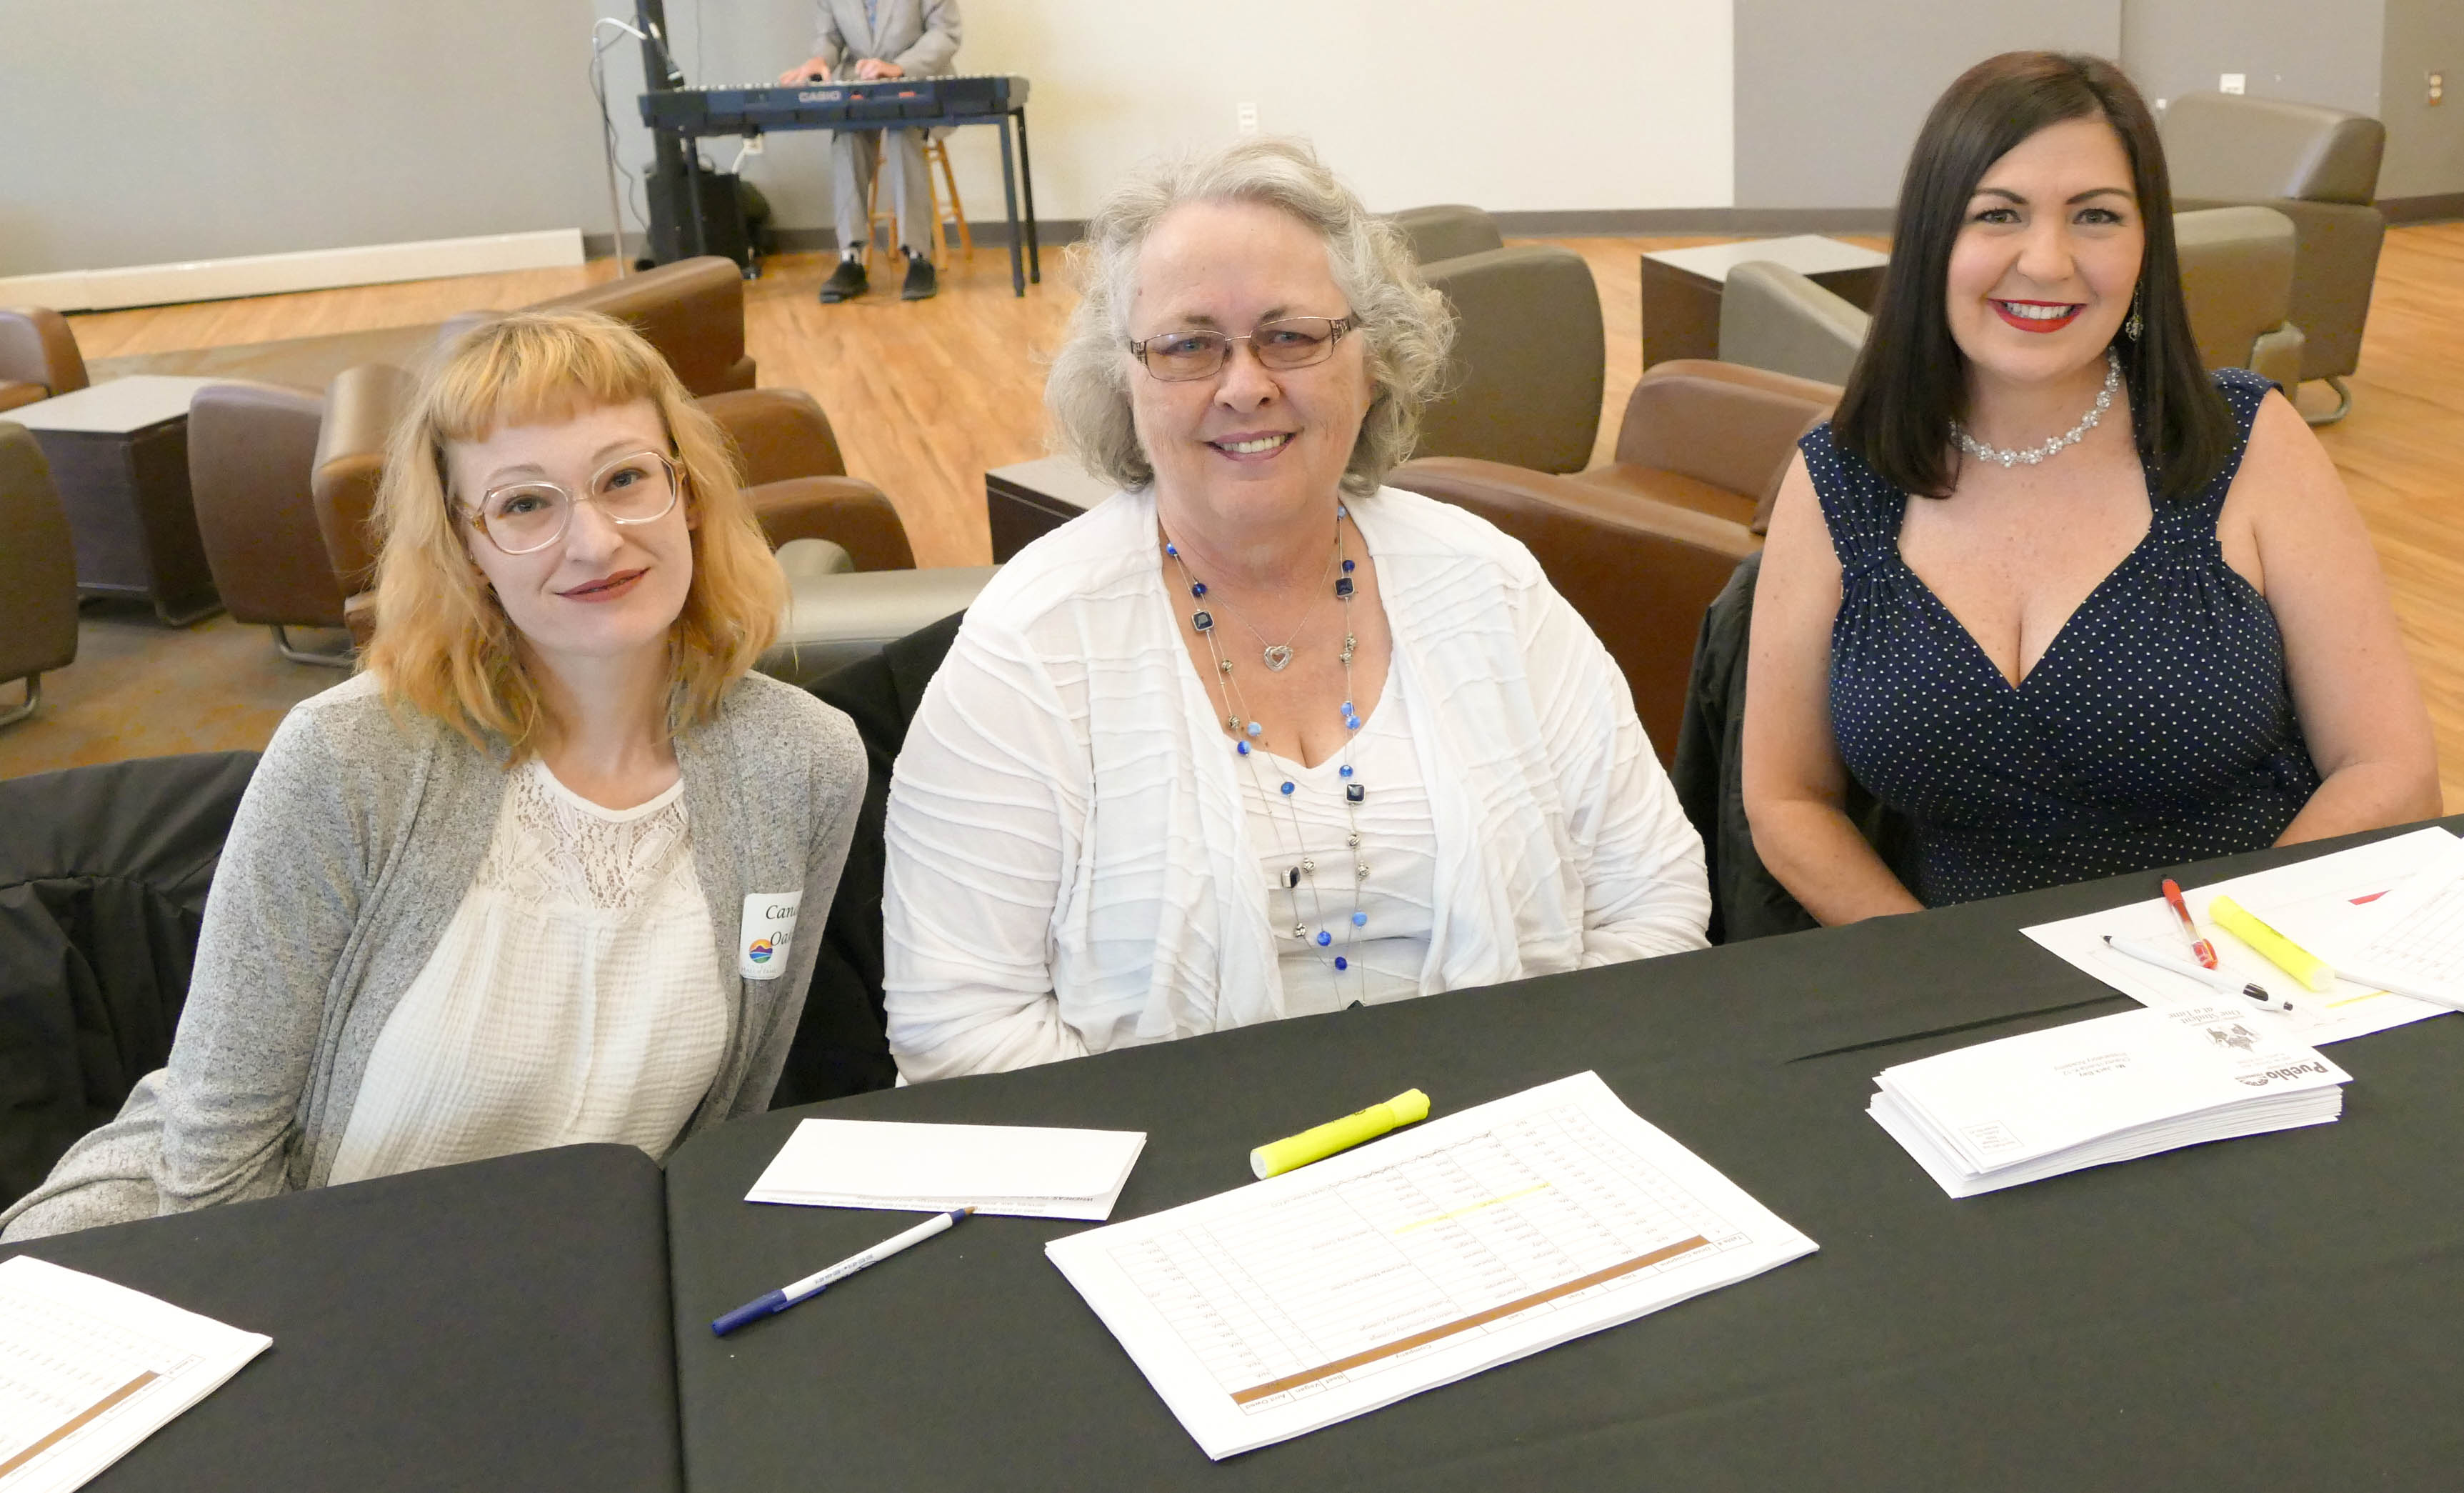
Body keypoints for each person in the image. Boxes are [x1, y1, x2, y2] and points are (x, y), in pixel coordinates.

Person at [1, 310, 864, 1240]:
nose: (596, 541)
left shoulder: (805, 764)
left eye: (624, 479)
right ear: (466, 548)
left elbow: (725, 1117)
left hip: (555, 1280)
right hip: (228, 1253)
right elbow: (214, 1164)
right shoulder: (349, 758)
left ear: (687, 494)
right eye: (525, 504)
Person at [881, 138, 1711, 1081]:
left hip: (1511, 1144)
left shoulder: (1489, 585)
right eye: (1190, 344)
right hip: (1176, 1187)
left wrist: (1535, 1103)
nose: (1245, 385)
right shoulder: (1029, 645)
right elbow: (958, 1028)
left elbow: (1652, 898)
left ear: (1371, 360)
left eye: (1290, 335)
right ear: (1125, 379)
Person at [1743, 52, 2438, 922]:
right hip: (1957, 985)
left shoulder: (2245, 442)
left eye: (2097, 217)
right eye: (1998, 214)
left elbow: (2389, 767)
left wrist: (2224, 951)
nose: (2047, 261)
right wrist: (1931, 969)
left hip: (2245, 966)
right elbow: (1787, 800)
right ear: (1931, 241)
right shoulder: (1842, 475)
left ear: (2147, 247)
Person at [781, 0, 963, 304]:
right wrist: (819, 60)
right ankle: (850, 258)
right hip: (860, 87)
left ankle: (919, 257)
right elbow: (830, 38)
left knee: (903, 133)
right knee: (846, 136)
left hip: (917, 83)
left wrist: (899, 67)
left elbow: (945, 32)